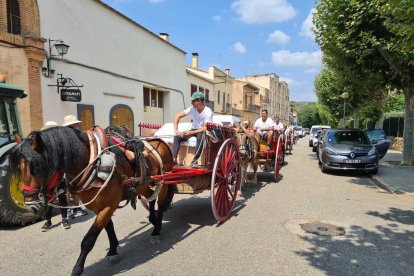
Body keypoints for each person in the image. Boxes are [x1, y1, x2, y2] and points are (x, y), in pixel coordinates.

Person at [40, 121, 71, 231]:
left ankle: (64, 219)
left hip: (59, 173)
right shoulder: (43, 144)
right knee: (48, 199)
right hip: (48, 176)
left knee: (62, 196)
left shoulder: (60, 143)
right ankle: (47, 221)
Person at [172, 91, 213, 166]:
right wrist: (176, 130)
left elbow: (205, 128)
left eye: (193, 101)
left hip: (203, 131)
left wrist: (191, 133)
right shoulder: (192, 109)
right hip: (193, 130)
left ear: (199, 101)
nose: (191, 103)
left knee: (200, 136)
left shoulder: (208, 111)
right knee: (177, 137)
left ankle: (195, 161)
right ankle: (173, 159)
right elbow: (177, 116)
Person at [62, 115, 88, 218]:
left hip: (67, 166)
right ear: (71, 124)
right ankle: (74, 208)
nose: (77, 125)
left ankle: (71, 209)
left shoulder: (63, 134)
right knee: (75, 189)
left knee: (69, 189)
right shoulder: (76, 134)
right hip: (75, 166)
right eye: (76, 123)